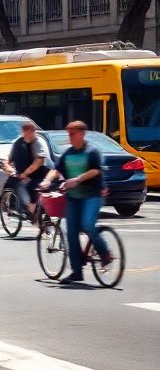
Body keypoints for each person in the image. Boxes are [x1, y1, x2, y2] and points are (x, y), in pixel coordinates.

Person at [58, 120, 112, 284]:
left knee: (88, 224)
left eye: (72, 134)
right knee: (71, 232)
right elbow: (57, 170)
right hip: (73, 198)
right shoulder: (68, 153)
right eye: (69, 134)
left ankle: (104, 253)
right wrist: (48, 180)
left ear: (82, 134)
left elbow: (95, 170)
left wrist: (77, 179)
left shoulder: (92, 151)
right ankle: (76, 272)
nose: (70, 137)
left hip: (92, 195)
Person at [4, 121, 51, 223]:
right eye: (25, 133)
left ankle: (35, 212)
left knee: (35, 187)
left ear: (34, 132)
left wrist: (25, 174)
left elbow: (39, 161)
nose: (26, 136)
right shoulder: (18, 143)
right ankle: (23, 209)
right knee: (15, 184)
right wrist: (8, 167)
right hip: (21, 173)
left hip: (39, 172)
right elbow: (8, 159)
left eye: (29, 133)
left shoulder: (38, 142)